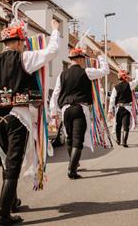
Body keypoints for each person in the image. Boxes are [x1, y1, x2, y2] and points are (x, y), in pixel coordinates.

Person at [0, 19, 60, 225]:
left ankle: (12, 202)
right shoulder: (25, 58)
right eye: (22, 42)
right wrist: (55, 31)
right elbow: (51, 51)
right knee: (13, 164)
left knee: (7, 162)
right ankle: (3, 215)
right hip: (17, 119)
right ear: (19, 42)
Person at [50, 49, 109, 179]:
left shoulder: (62, 74)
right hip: (79, 108)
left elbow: (56, 93)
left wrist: (53, 111)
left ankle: (74, 164)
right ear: (81, 59)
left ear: (71, 59)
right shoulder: (86, 72)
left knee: (69, 139)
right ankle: (71, 170)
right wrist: (100, 56)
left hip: (66, 109)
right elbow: (105, 71)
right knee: (78, 140)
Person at [108, 68, 138, 147]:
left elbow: (112, 100)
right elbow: (137, 79)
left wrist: (110, 111)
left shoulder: (115, 87)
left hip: (118, 109)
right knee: (126, 125)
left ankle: (118, 140)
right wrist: (136, 71)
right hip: (127, 109)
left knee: (118, 125)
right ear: (125, 77)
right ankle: (124, 142)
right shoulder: (130, 85)